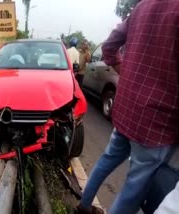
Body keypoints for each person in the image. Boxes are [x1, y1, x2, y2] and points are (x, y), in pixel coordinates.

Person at [77, 0, 179, 213]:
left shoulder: (143, 6)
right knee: (133, 188)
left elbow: (109, 46)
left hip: (126, 110)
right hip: (156, 124)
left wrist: (130, 75)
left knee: (107, 159)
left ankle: (84, 206)